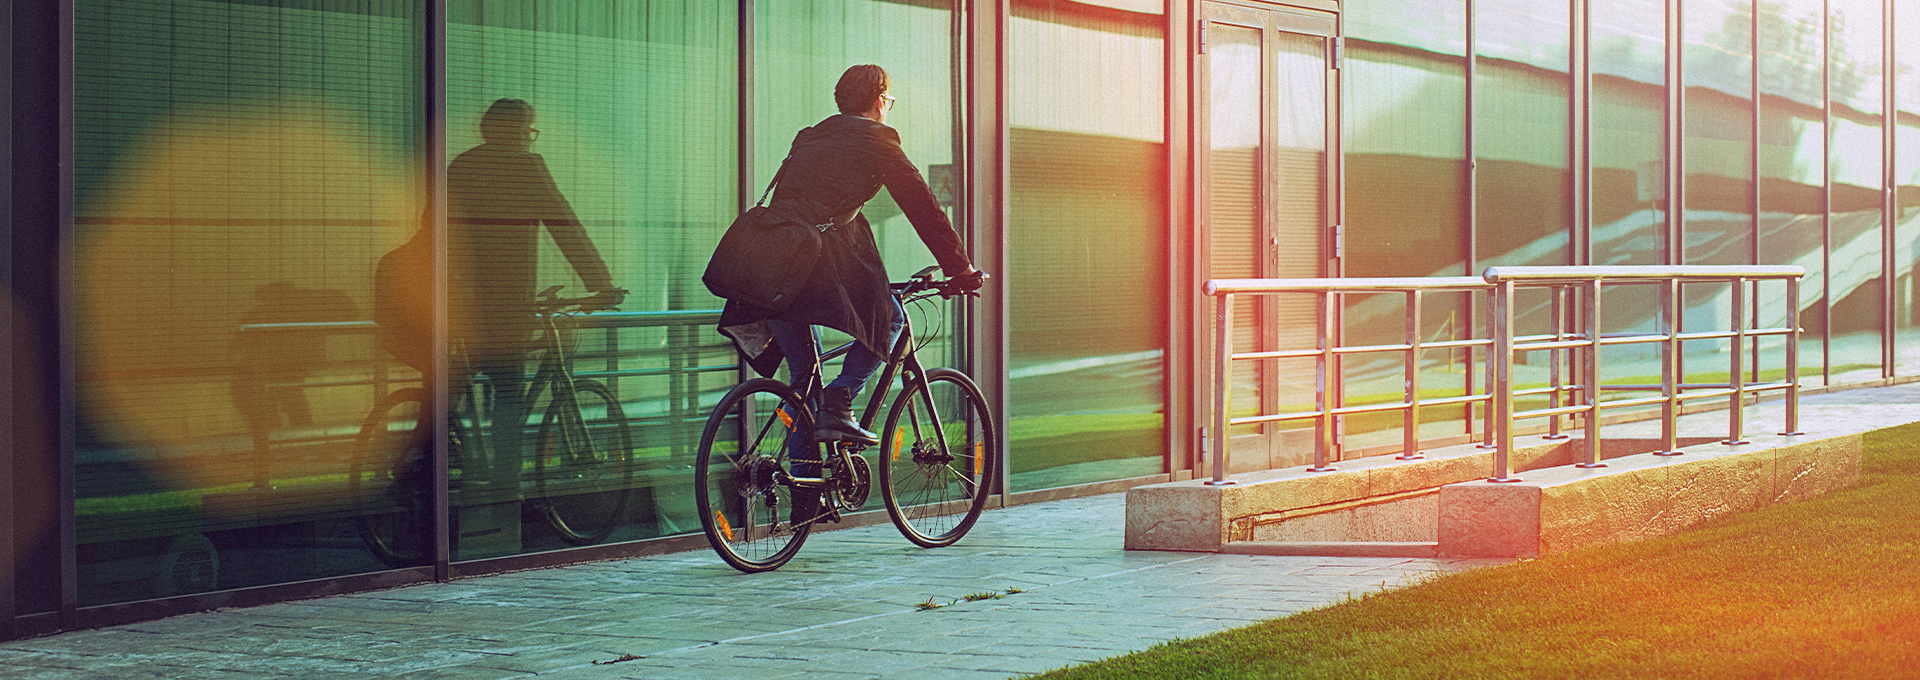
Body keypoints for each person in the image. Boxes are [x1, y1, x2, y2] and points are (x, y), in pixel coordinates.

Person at [718, 64, 987, 449]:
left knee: (803, 379)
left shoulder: (809, 138)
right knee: (891, 318)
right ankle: (841, 399)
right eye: (889, 101)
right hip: (815, 263)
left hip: (770, 271)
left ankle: (807, 500)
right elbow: (922, 205)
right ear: (880, 102)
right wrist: (959, 267)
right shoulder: (877, 139)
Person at [447, 98, 622, 493]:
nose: (529, 138)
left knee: (449, 388)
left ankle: (427, 450)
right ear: (513, 131)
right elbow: (564, 224)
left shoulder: (460, 166)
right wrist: (600, 283)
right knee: (509, 394)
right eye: (527, 130)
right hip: (506, 305)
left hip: (459, 302)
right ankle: (504, 485)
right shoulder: (524, 167)